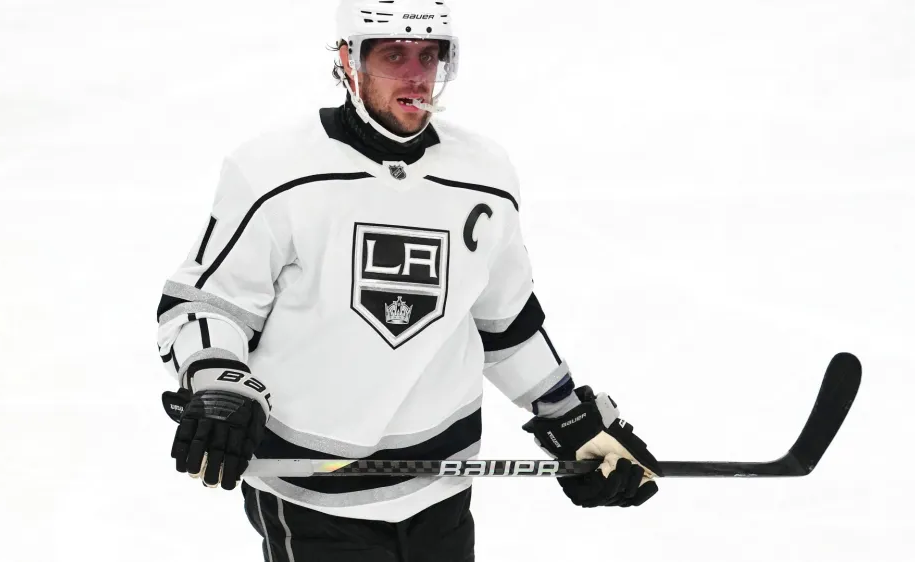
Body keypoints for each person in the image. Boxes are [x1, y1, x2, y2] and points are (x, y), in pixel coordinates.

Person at [155, 1, 661, 560]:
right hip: (312, 494)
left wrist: (571, 418)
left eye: (429, 55)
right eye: (394, 54)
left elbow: (506, 321)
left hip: (440, 490)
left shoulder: (483, 177)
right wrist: (221, 385)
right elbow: (209, 303)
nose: (417, 74)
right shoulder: (275, 172)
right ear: (349, 61)